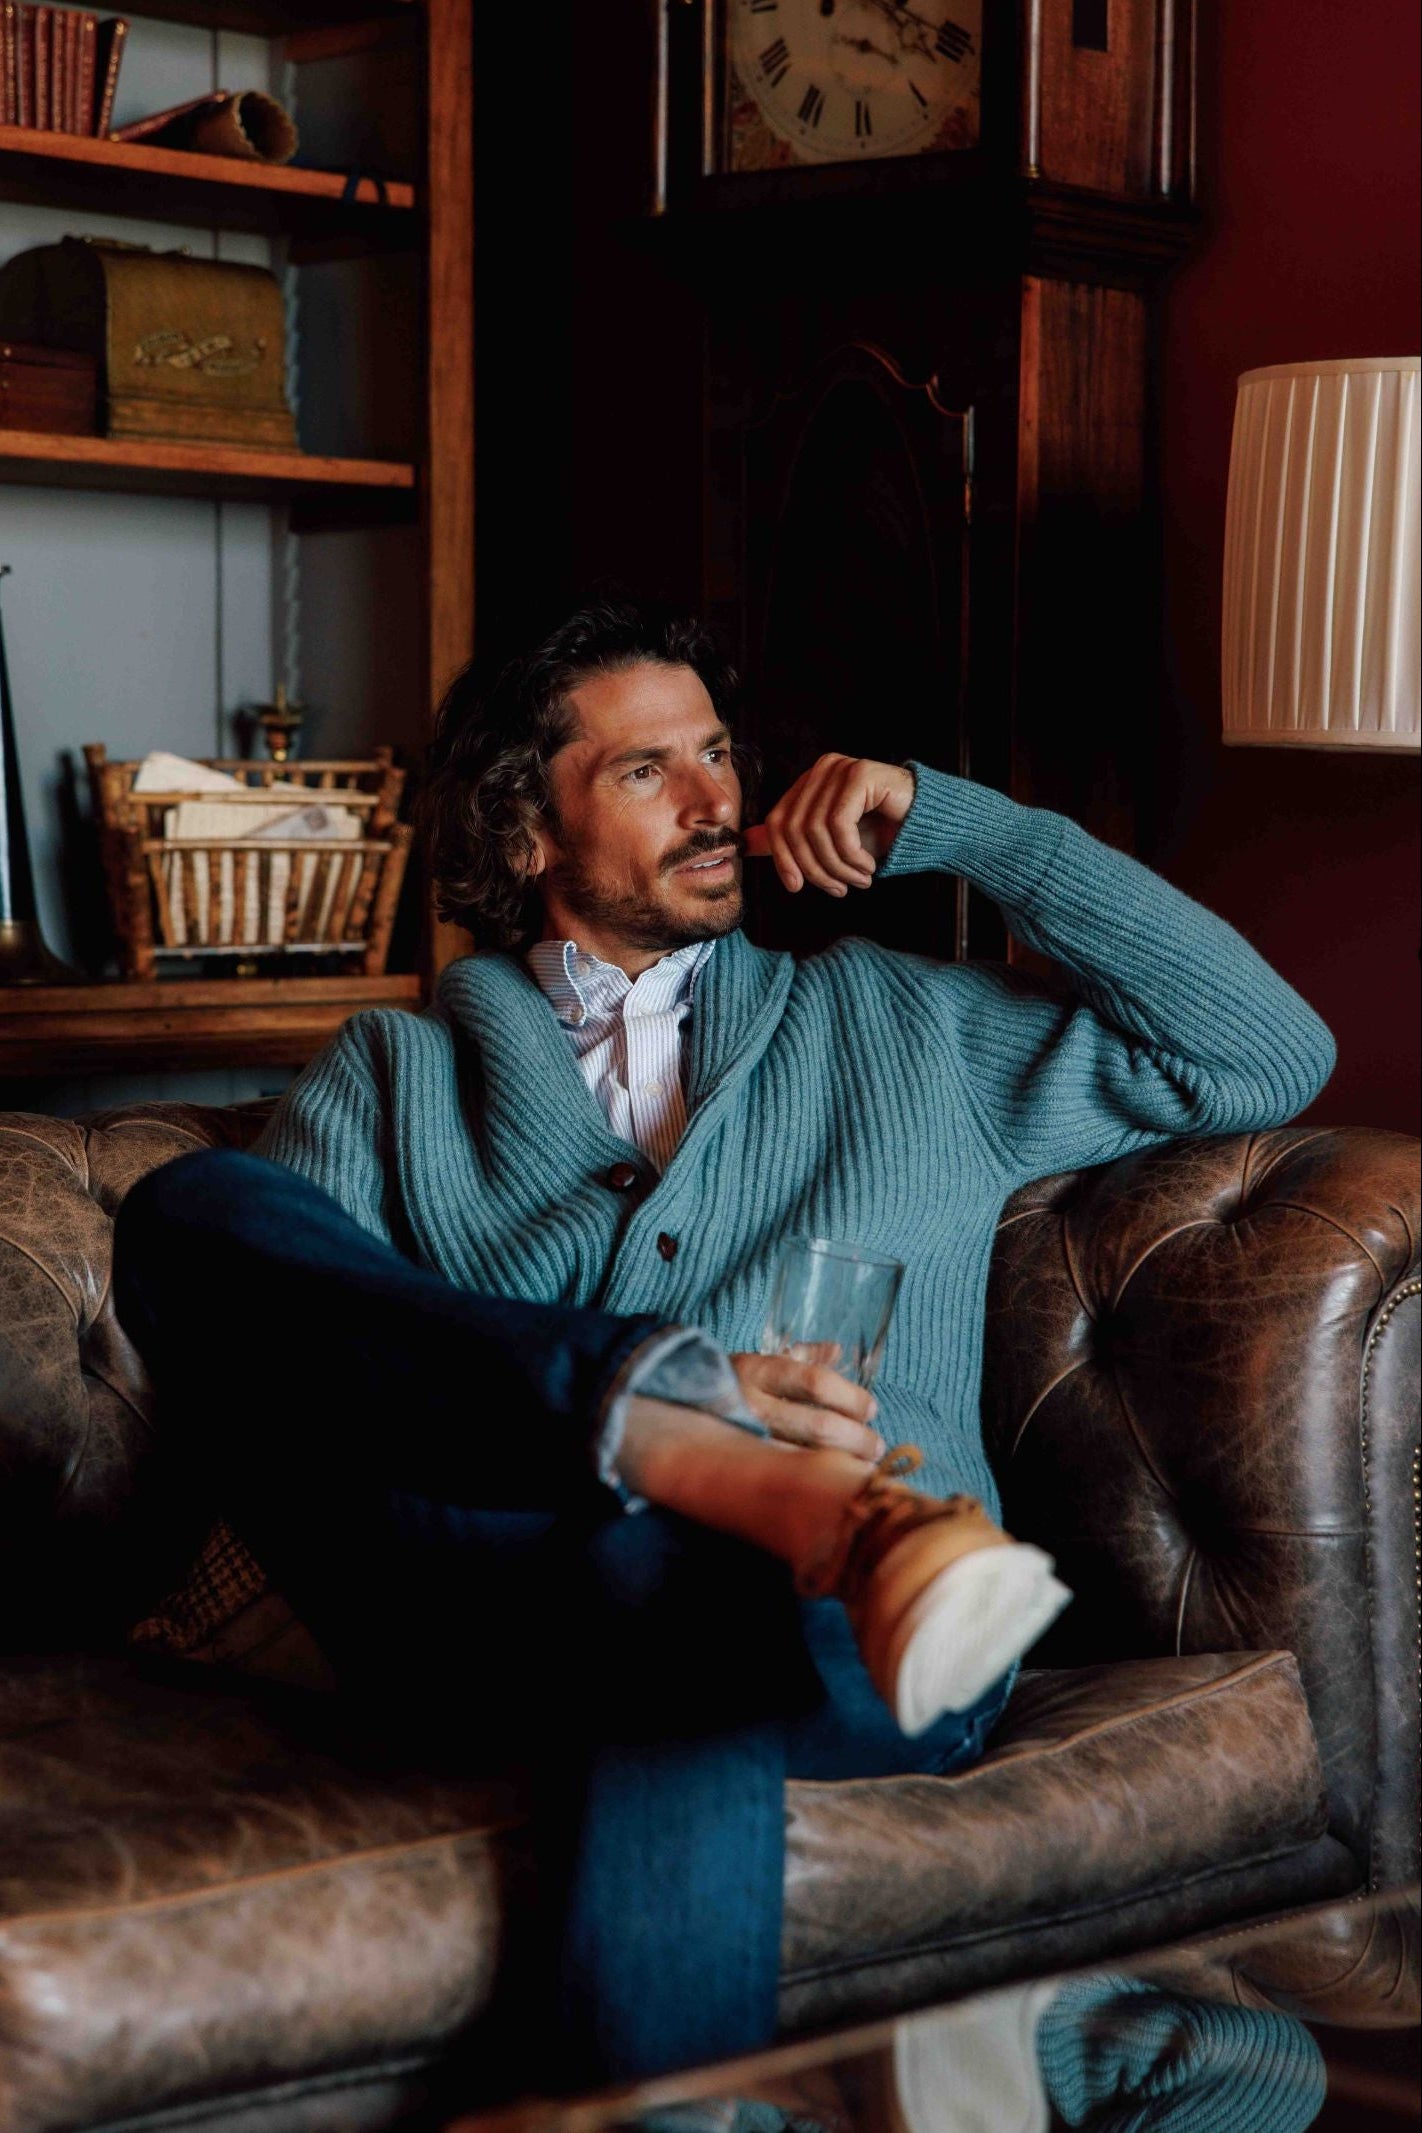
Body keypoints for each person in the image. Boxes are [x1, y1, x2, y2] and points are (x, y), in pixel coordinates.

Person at [114, 598, 1335, 2092]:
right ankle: (656, 1416)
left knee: (670, 1579)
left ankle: (688, 1462)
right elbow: (305, 1367)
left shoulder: (903, 1027)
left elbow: (1260, 1049)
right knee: (191, 1211)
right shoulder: (397, 1072)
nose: (717, 803)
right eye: (647, 770)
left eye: (719, 754)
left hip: (855, 1619)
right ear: (522, 834)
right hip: (487, 1605)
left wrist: (965, 830)